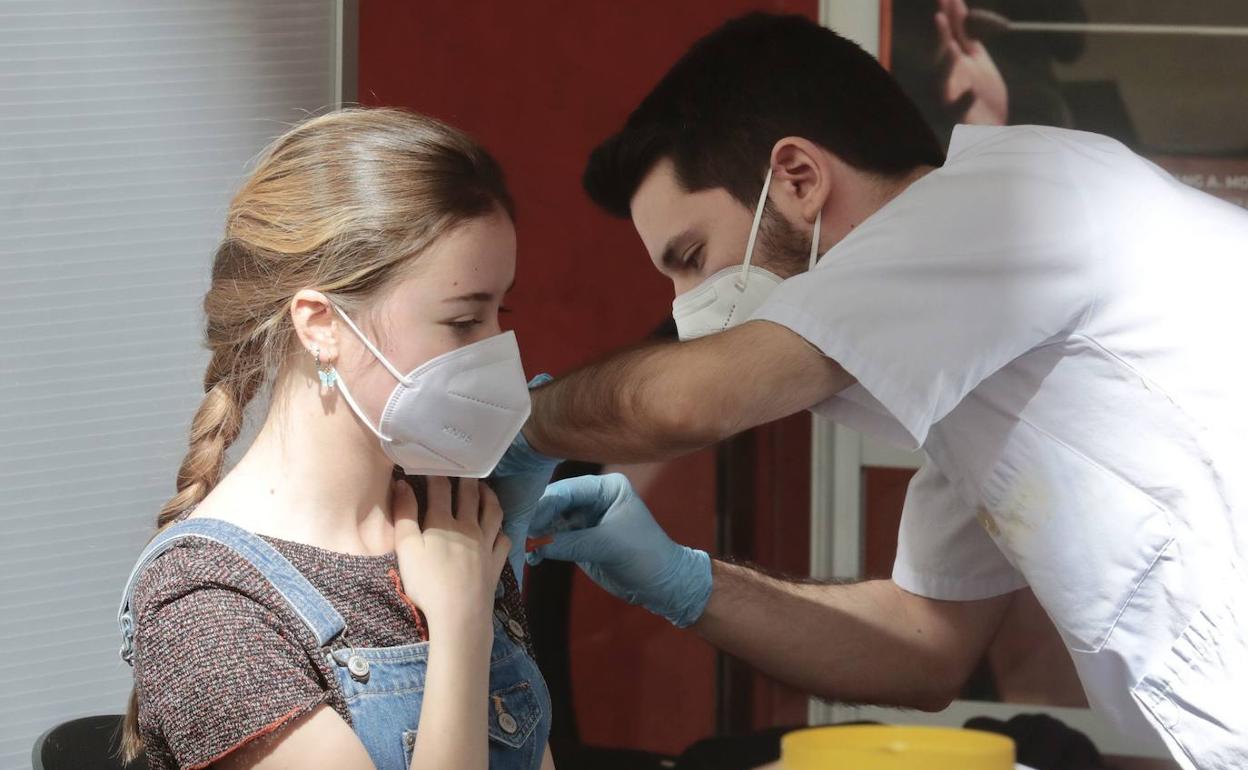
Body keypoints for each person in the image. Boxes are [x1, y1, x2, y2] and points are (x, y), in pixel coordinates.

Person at [515, 13, 1248, 770]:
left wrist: (514, 421)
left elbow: (690, 401)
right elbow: (923, 648)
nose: (684, 308)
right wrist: (681, 580)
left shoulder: (999, 205)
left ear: (797, 178)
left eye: (694, 257)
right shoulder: (974, 353)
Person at [114, 108, 556, 770]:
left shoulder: (452, 517)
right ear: (321, 324)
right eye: (464, 320)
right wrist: (461, 627)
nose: (498, 351)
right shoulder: (206, 603)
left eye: (502, 312)